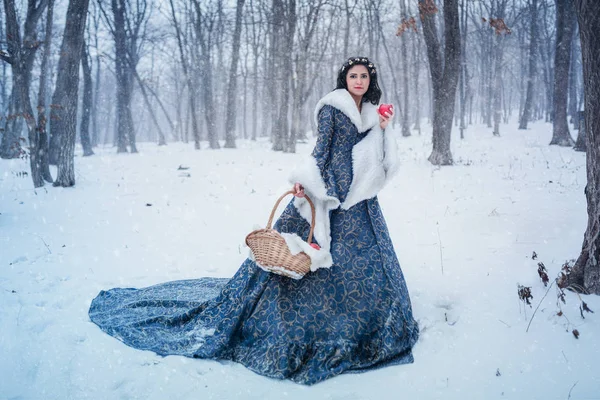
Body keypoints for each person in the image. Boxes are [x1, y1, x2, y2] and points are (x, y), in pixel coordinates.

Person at [89, 56, 419, 385]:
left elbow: (380, 157)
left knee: (363, 260)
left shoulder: (374, 113)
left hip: (359, 198)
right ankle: (298, 322)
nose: (358, 81)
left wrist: (384, 128)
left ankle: (365, 321)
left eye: (363, 76)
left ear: (370, 80)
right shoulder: (332, 109)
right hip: (328, 192)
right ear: (344, 79)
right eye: (352, 76)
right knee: (302, 256)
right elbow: (321, 150)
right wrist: (308, 181)